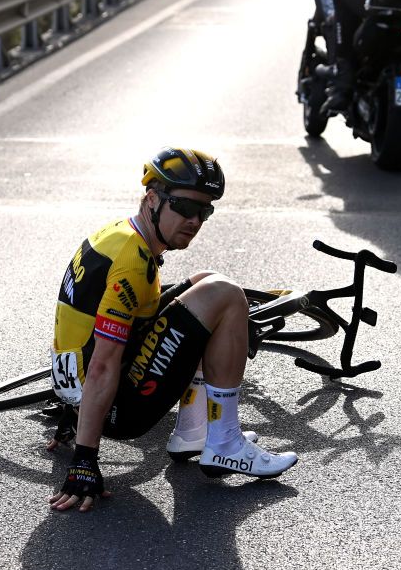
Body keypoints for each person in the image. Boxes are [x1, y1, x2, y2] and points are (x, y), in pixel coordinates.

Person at [47, 147, 298, 513]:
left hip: (77, 392)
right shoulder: (132, 264)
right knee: (225, 295)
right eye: (184, 207)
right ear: (152, 199)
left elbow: (83, 330)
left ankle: (193, 433)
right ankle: (225, 444)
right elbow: (102, 364)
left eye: (204, 211)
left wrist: (70, 407)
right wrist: (84, 460)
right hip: (116, 409)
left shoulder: (120, 234)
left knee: (206, 282)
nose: (195, 220)